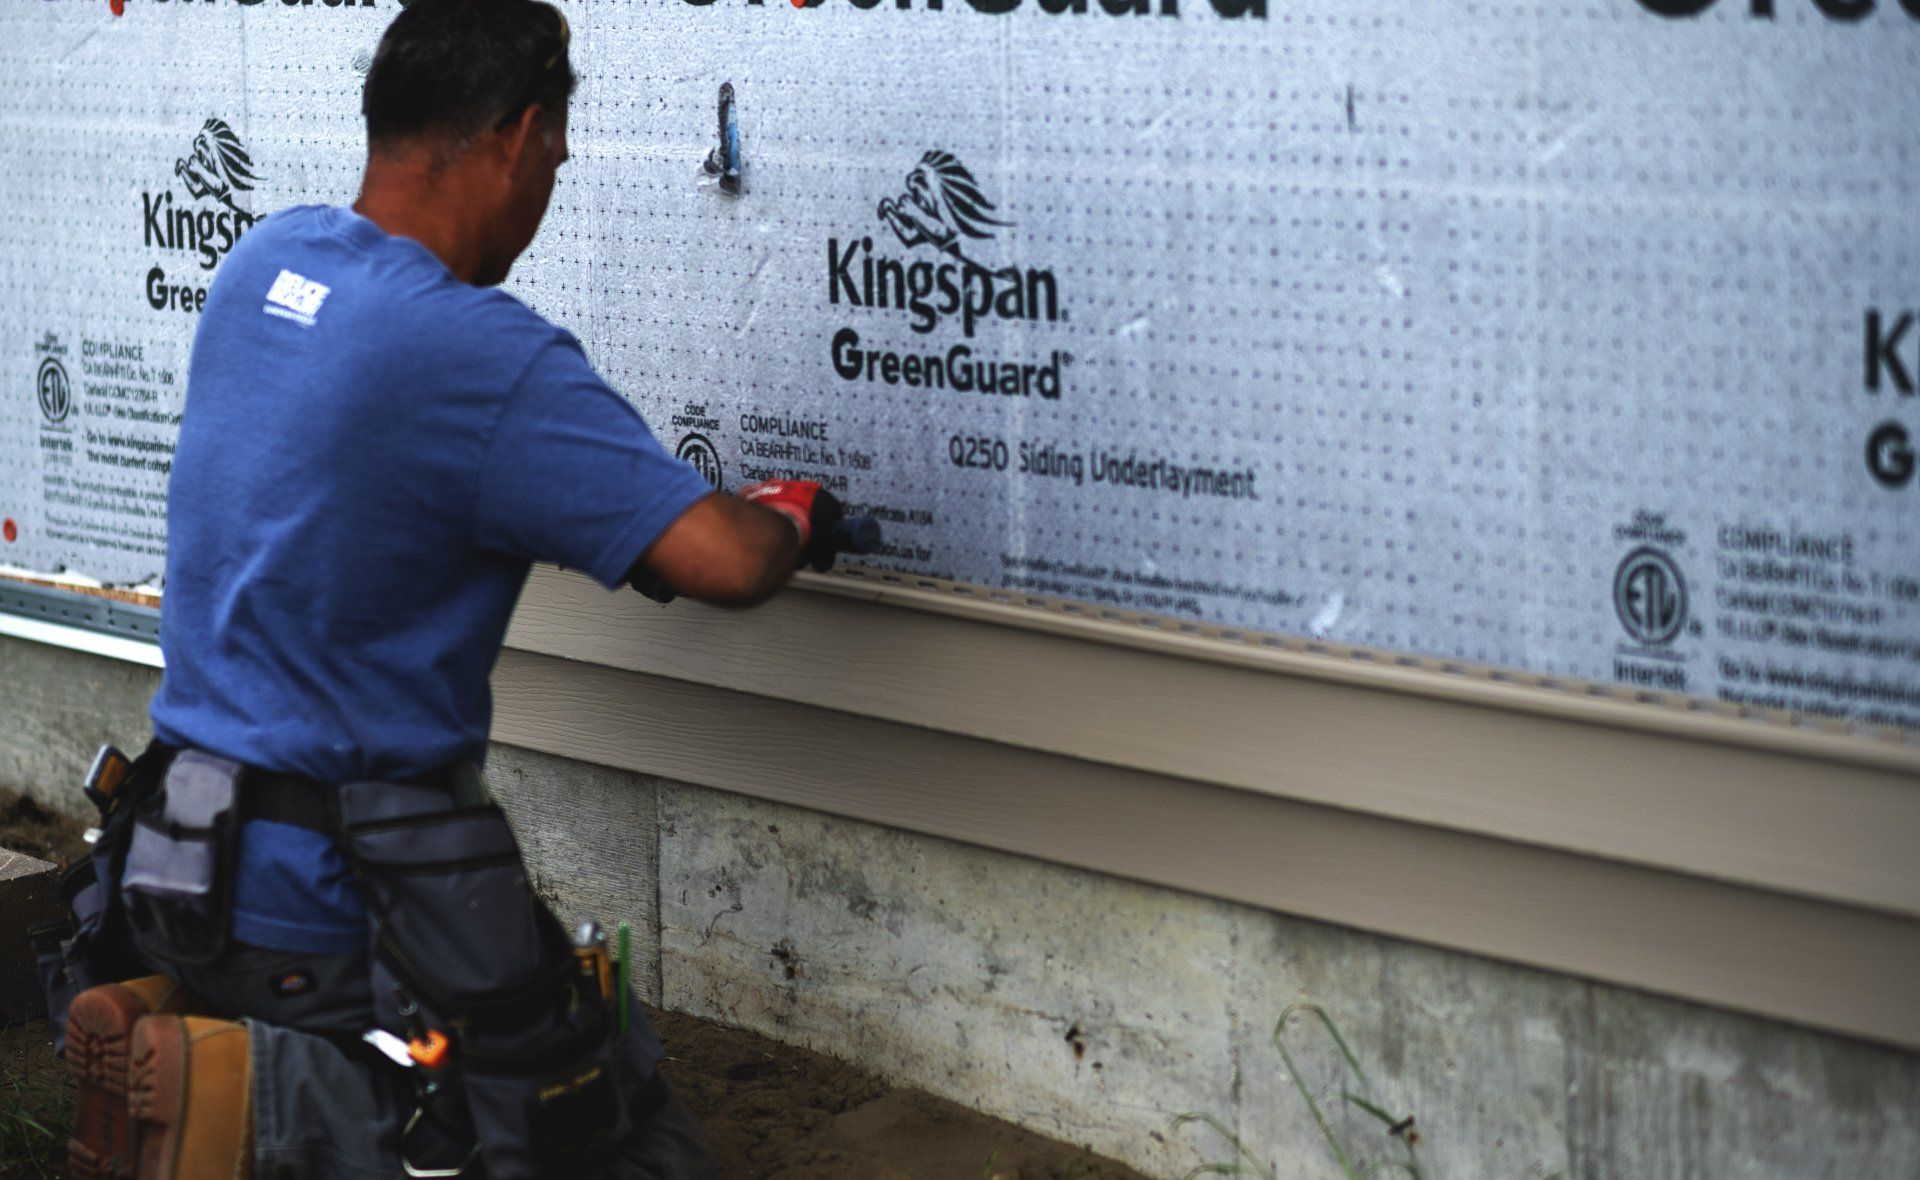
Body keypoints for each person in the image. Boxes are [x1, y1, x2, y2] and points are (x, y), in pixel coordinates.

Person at [56, 1, 849, 1175]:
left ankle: (232, 1061)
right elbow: (720, 561)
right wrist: (791, 518)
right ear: (522, 136)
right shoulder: (482, 356)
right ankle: (264, 1101)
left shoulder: (263, 263)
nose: (551, 187)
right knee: (589, 1118)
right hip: (343, 904)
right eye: (558, 161)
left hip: (177, 858)